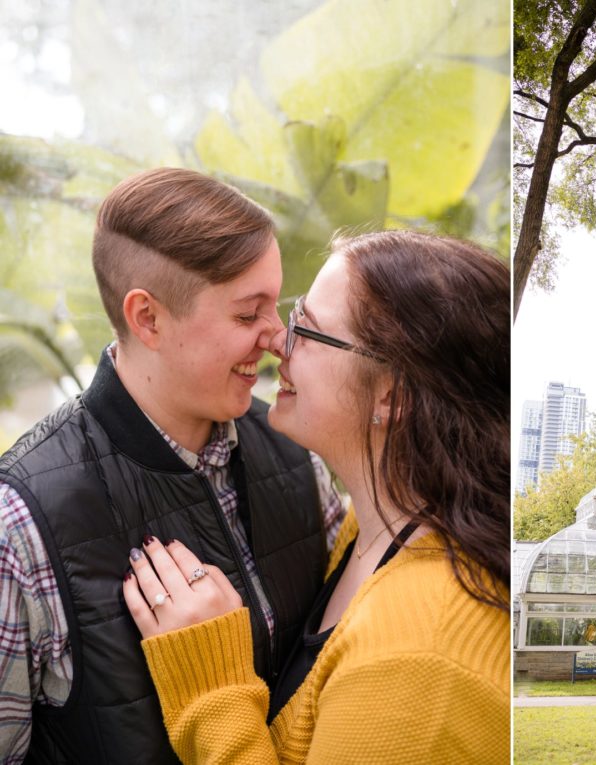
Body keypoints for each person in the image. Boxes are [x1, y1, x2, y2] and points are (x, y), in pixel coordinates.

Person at [122, 230, 511, 764]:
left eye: (307, 328)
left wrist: (213, 696)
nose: (278, 340)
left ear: (391, 395)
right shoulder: (369, 528)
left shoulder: (417, 658)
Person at [0, 169, 342, 764]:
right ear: (148, 319)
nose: (277, 339)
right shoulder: (19, 527)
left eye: (277, 306)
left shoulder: (298, 453)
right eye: (246, 315)